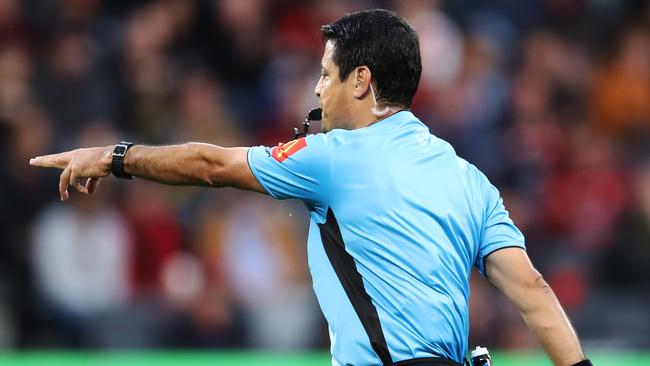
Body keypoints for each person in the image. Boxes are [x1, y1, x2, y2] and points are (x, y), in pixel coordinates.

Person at [30, 9, 592, 366]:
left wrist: (113, 156)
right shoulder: (469, 178)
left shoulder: (333, 158)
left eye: (326, 73)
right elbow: (534, 292)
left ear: (362, 80)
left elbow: (207, 163)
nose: (318, 90)